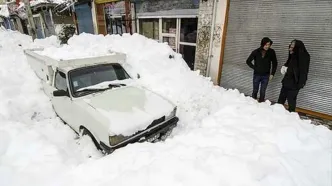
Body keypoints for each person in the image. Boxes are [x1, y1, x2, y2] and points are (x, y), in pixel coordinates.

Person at [278, 40, 310, 112]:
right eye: (290, 46)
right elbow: (289, 62)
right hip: (286, 81)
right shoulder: (293, 54)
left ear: (297, 47)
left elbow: (303, 71)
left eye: (292, 47)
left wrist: (301, 83)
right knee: (281, 99)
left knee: (291, 101)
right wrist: (284, 66)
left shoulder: (304, 57)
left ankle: (291, 117)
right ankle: (277, 113)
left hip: (295, 83)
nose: (290, 49)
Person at [246, 37, 278, 102]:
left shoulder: (271, 52)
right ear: (262, 44)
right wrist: (255, 67)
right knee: (255, 90)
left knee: (263, 91)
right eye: (266, 44)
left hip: (266, 76)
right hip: (257, 75)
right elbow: (248, 61)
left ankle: (261, 104)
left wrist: (272, 74)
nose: (267, 46)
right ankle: (252, 102)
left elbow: (275, 63)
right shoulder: (256, 52)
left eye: (269, 45)